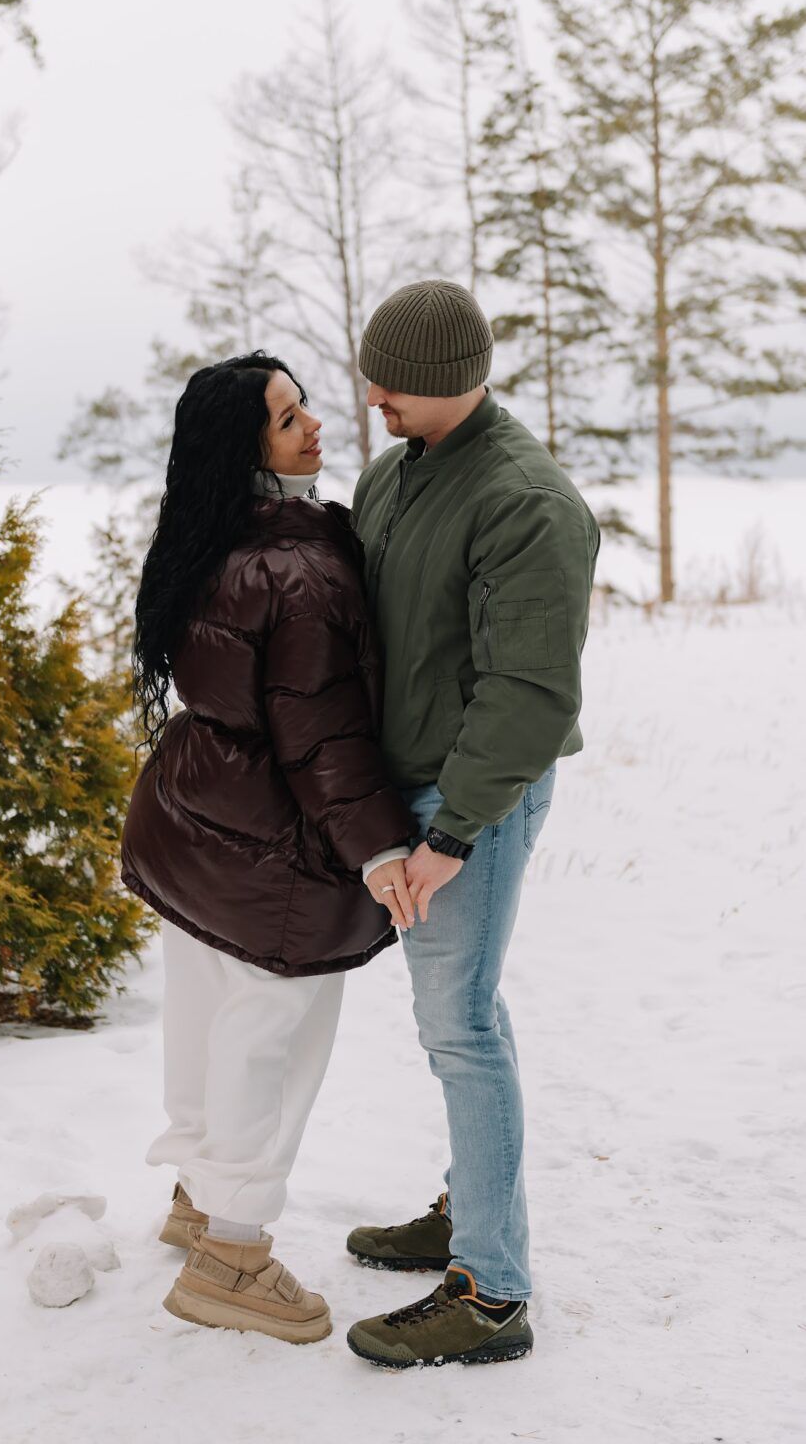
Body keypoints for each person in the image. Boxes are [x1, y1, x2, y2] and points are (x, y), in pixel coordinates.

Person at [120, 352, 419, 1346]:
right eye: (287, 419)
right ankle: (232, 1258)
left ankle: (197, 1199)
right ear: (245, 450)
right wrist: (377, 851)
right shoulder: (298, 571)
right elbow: (321, 733)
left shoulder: (209, 536)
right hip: (272, 854)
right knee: (273, 1046)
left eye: (303, 406)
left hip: (194, 826)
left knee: (207, 1021)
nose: (313, 425)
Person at [342, 279, 601, 1370]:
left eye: (392, 383)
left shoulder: (525, 502)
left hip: (470, 797)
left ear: (450, 381)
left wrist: (448, 835)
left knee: (461, 1026)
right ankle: (469, 1207)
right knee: (456, 1020)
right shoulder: (396, 471)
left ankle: (491, 1291)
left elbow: (529, 692)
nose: (372, 398)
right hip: (409, 790)